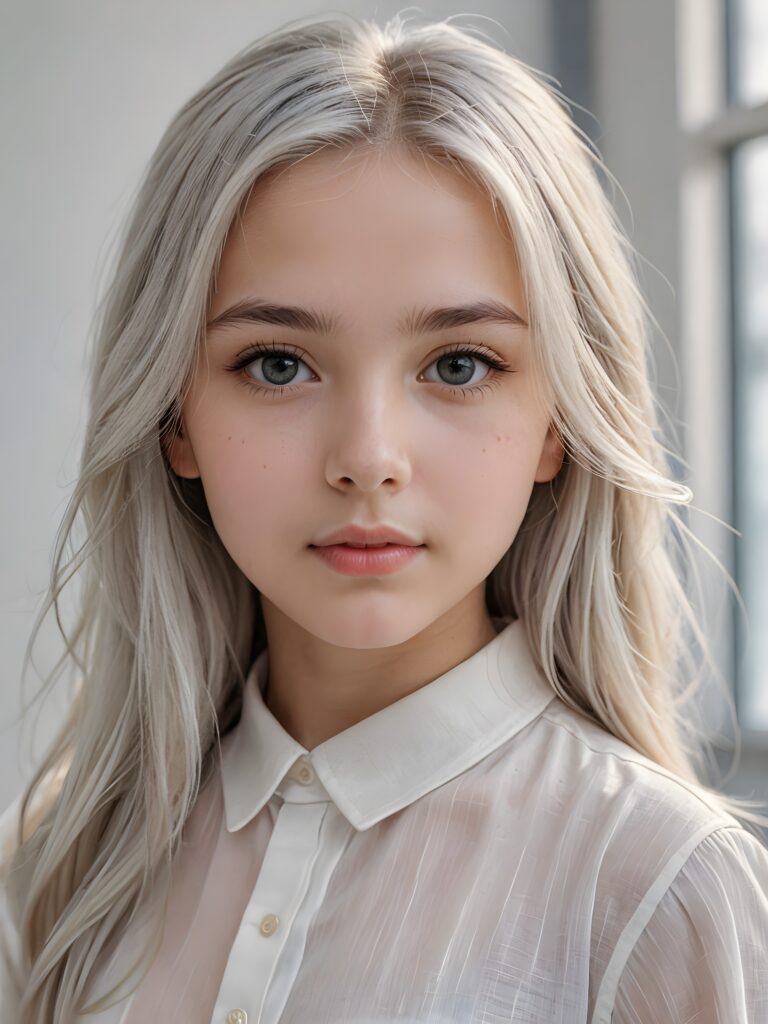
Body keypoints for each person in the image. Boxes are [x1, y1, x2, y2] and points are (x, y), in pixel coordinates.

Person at [2, 11, 767, 1023]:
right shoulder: (64, 869)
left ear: (559, 423)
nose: (367, 459)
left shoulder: (655, 889)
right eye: (277, 363)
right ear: (173, 416)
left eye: (459, 365)